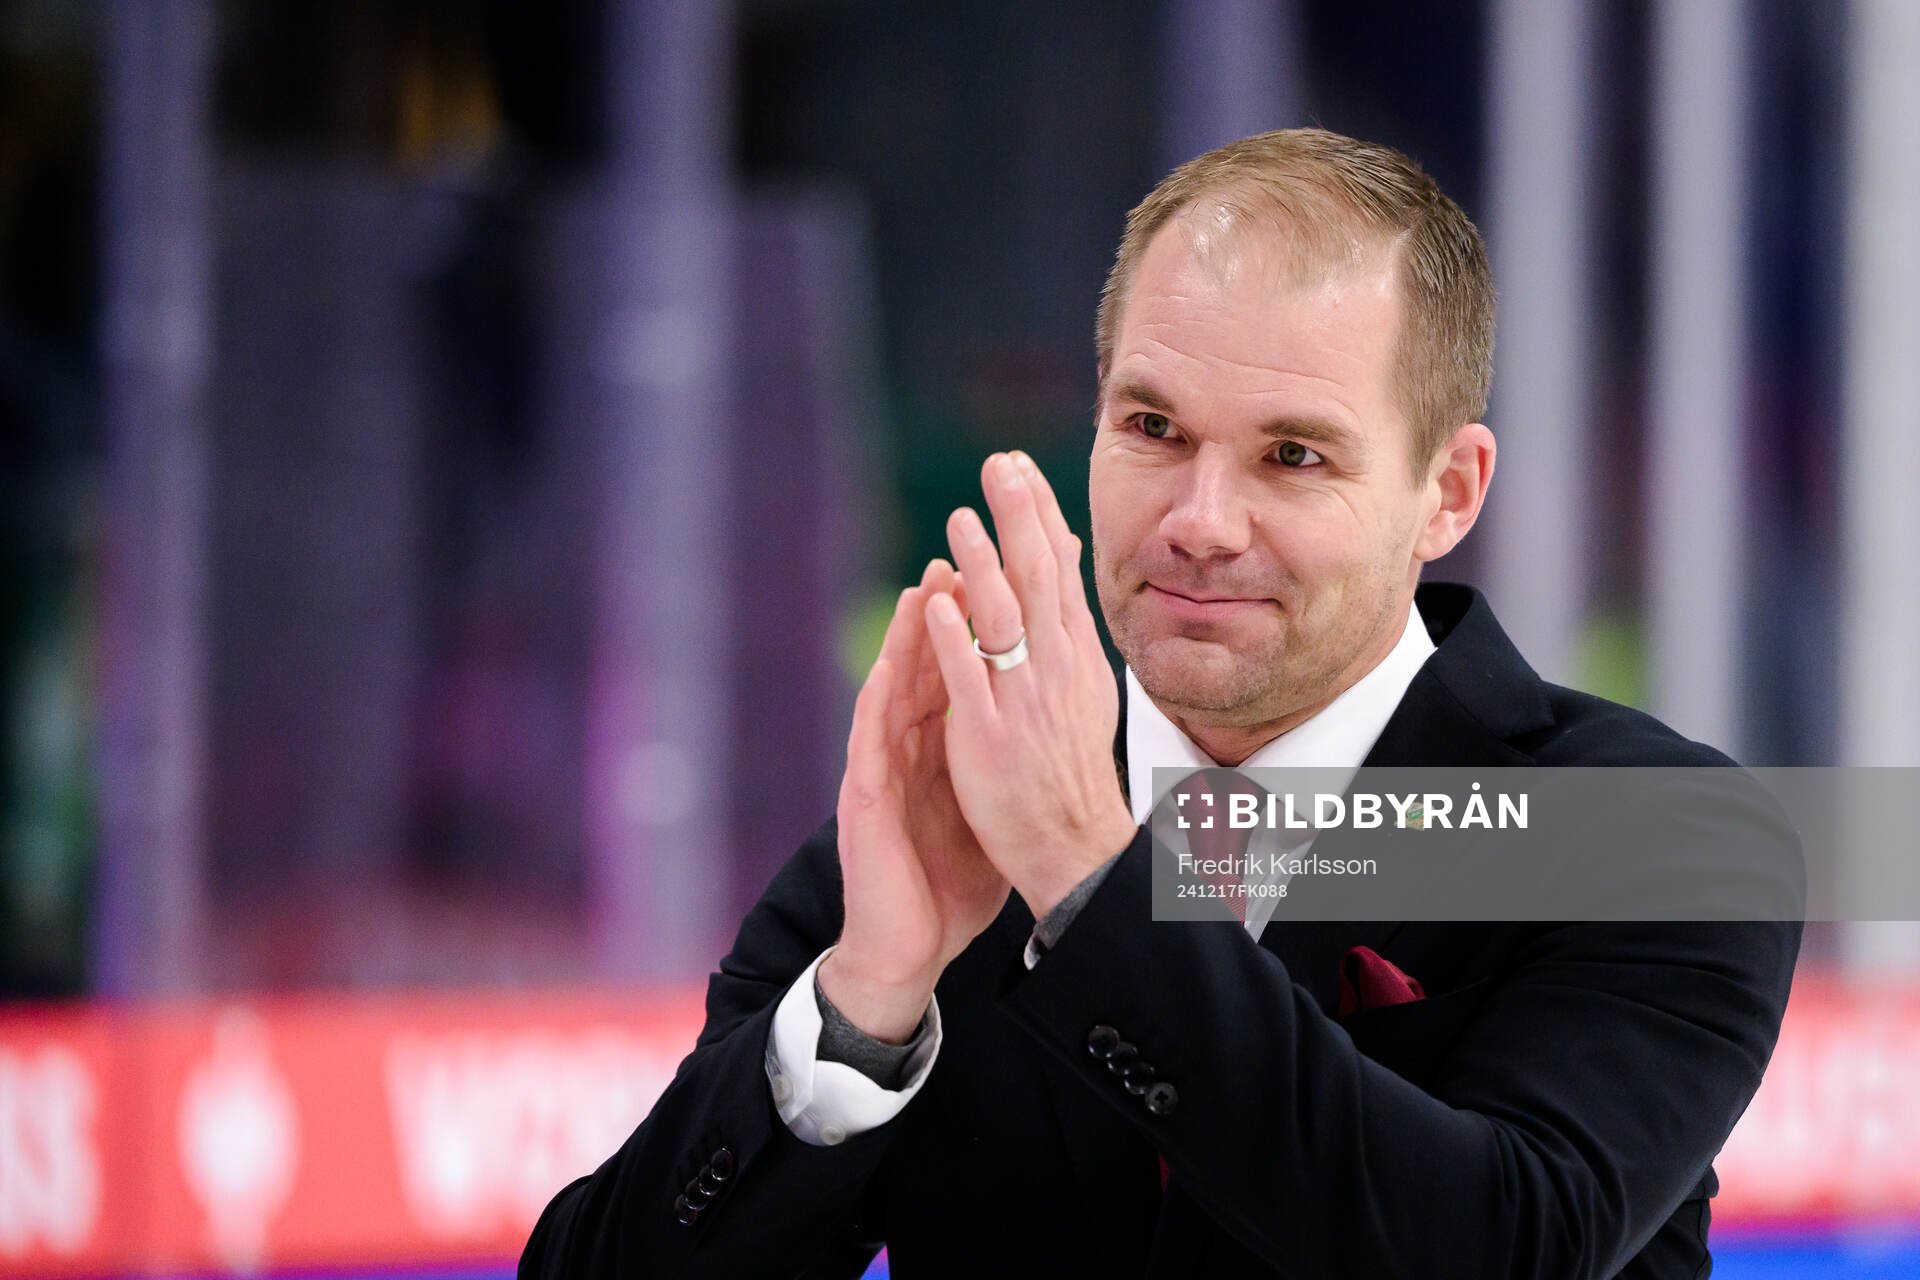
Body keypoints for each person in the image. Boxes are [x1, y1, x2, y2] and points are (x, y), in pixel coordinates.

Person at [519, 128, 1801, 1278]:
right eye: (1153, 427)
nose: (1199, 522)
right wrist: (861, 1008)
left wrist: (1089, 877)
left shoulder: (1657, 830)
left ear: (1449, 492)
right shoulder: (938, 829)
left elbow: (1497, 1245)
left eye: (1293, 455)